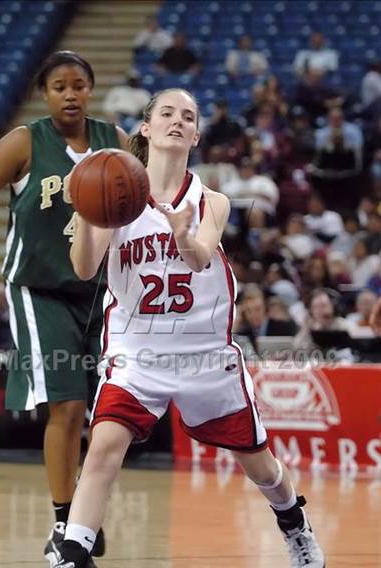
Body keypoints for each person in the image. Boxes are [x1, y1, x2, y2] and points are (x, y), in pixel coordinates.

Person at [52, 88, 325, 568]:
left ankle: (294, 522)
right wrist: (88, 212)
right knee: (104, 446)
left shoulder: (211, 201)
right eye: (167, 113)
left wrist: (181, 232)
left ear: (197, 134)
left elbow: (200, 260)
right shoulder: (112, 192)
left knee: (260, 466)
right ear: (146, 126)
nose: (177, 121)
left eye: (188, 117)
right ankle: (72, 553)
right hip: (136, 351)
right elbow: (82, 268)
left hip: (203, 353)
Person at [0, 50, 128, 568]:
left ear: (91, 88)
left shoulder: (116, 143)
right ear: (45, 93)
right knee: (67, 402)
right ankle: (65, 524)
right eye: (60, 86)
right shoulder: (23, 141)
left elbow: (146, 207)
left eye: (79, 84)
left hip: (103, 290)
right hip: (40, 289)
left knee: (109, 412)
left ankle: (82, 512)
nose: (71, 94)